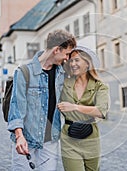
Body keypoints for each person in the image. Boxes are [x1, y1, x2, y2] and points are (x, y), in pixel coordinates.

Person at [7, 29, 76, 170]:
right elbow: (16, 108)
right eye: (67, 54)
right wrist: (19, 136)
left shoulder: (62, 73)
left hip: (50, 141)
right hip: (26, 139)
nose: (67, 58)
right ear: (57, 50)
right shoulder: (24, 72)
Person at [57, 46, 109, 171]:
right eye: (71, 61)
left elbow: (101, 111)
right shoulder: (63, 84)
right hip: (69, 138)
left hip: (91, 138)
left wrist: (74, 107)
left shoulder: (100, 86)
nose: (73, 64)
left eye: (77, 60)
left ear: (87, 63)